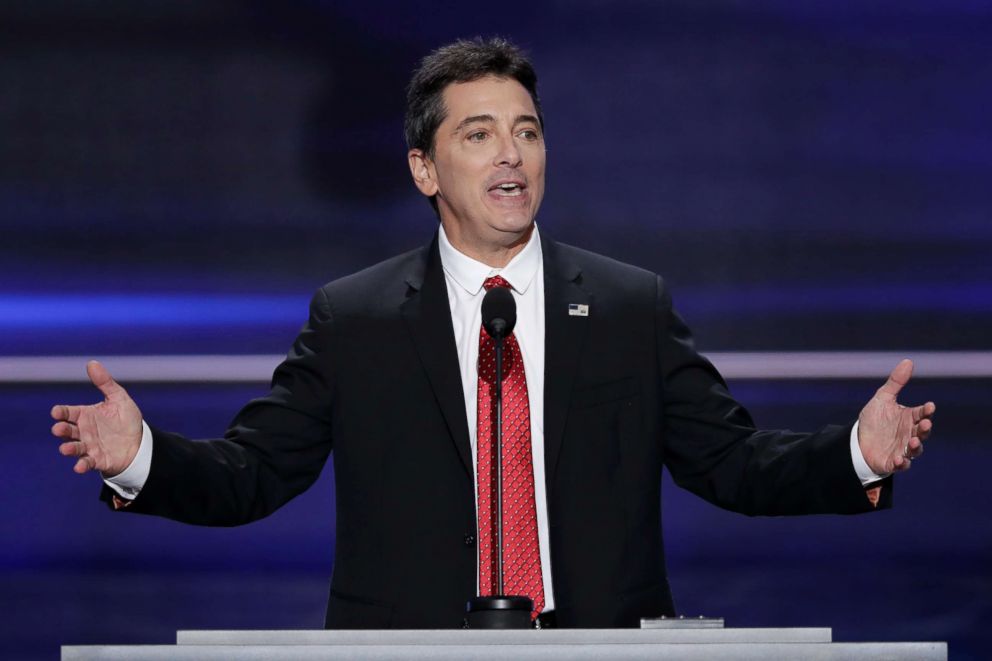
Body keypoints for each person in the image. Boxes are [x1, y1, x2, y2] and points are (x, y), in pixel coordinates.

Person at [50, 37, 935, 629]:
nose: (512, 154)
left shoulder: (630, 306)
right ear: (424, 168)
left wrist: (856, 449)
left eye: (528, 132)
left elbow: (735, 463)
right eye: (479, 135)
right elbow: (253, 474)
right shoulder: (355, 319)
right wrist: (142, 457)